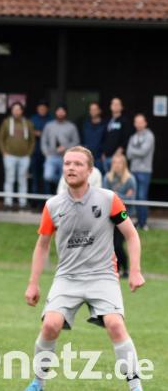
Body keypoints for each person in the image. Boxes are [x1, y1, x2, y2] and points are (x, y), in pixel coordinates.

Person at [23, 146, 145, 391]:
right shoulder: (53, 205)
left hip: (102, 276)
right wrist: (33, 283)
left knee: (115, 324)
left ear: (90, 170)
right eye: (67, 163)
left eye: (78, 164)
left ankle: (136, 387)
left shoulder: (108, 199)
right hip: (67, 277)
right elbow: (42, 245)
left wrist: (134, 270)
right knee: (50, 324)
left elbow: (131, 235)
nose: (71, 168)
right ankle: (38, 383)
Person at [103, 153, 137, 278]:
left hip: (127, 216)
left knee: (118, 244)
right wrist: (121, 196)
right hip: (111, 217)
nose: (117, 165)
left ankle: (126, 269)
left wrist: (115, 195)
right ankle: (116, 269)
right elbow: (105, 197)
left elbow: (131, 199)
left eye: (119, 163)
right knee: (112, 245)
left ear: (124, 164)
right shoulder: (107, 178)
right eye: (114, 162)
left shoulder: (130, 179)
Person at [0, 102, 36, 210]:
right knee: (9, 179)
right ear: (11, 111)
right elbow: (1, 138)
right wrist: (4, 152)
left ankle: (22, 203)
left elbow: (32, 140)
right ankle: (8, 203)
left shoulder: (27, 123)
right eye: (14, 109)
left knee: (22, 180)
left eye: (18, 109)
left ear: (22, 111)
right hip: (9, 156)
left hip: (24, 157)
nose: (16, 111)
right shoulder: (6, 122)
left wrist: (29, 154)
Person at [41, 106, 79, 193]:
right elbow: (43, 141)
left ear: (66, 113)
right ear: (55, 112)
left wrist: (66, 147)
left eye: (62, 112)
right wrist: (46, 154)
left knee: (65, 178)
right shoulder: (49, 125)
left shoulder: (71, 126)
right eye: (59, 111)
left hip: (66, 158)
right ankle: (59, 182)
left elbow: (76, 142)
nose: (60, 113)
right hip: (51, 156)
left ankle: (61, 187)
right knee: (48, 176)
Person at [126, 114, 155, 231]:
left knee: (142, 196)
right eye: (136, 122)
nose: (138, 124)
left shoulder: (149, 135)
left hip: (144, 171)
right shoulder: (133, 137)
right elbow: (128, 154)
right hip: (133, 170)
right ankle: (138, 222)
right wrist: (136, 151)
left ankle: (144, 223)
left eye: (140, 122)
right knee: (135, 197)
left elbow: (143, 152)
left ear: (145, 123)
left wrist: (133, 150)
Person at [101, 98, 133, 173]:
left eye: (117, 104)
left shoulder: (124, 121)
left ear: (121, 107)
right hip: (106, 157)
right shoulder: (107, 121)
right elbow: (105, 138)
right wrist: (103, 152)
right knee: (107, 178)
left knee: (117, 179)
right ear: (110, 106)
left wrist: (121, 149)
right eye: (113, 104)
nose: (115, 106)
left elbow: (127, 138)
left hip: (118, 157)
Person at [30, 101, 53, 198]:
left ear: (47, 109)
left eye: (44, 108)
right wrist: (34, 133)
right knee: (35, 177)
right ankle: (34, 200)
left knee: (46, 178)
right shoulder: (33, 119)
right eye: (40, 108)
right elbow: (28, 132)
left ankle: (46, 200)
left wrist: (42, 134)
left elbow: (53, 134)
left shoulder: (51, 120)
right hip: (35, 152)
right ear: (37, 109)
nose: (42, 110)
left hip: (48, 153)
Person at [81, 102, 105, 171]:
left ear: (99, 111)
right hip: (87, 158)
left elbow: (107, 141)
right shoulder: (86, 124)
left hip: (99, 158)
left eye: (95, 109)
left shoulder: (104, 125)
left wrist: (104, 153)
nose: (93, 111)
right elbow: (82, 140)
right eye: (91, 109)